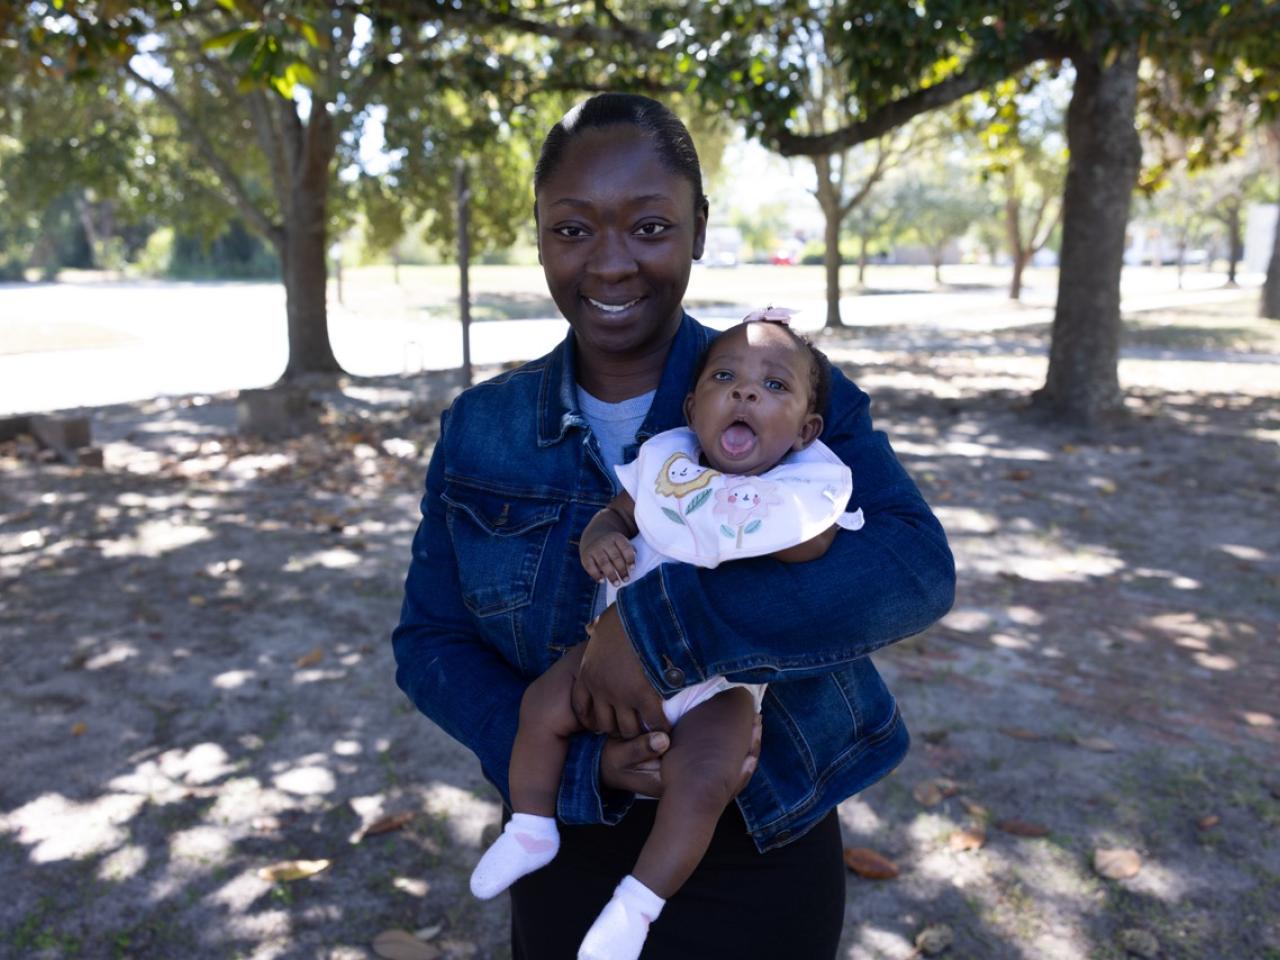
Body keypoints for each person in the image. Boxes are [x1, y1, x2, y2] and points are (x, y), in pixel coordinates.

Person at [392, 92, 955, 959]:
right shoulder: (481, 430)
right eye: (573, 230)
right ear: (539, 232)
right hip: (566, 839)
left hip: (765, 831)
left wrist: (657, 635)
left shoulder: (785, 385)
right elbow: (429, 643)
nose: (610, 264)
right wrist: (581, 767)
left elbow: (912, 570)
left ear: (698, 227)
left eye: (649, 228)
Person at [470, 314, 866, 960]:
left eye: (773, 386)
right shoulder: (669, 464)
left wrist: (777, 521)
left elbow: (815, 549)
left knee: (707, 777)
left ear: (805, 430)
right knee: (542, 705)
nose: (745, 393)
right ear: (692, 405)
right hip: (606, 659)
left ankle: (637, 904)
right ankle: (532, 824)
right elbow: (621, 512)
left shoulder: (796, 490)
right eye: (725, 378)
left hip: (721, 686)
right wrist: (600, 535)